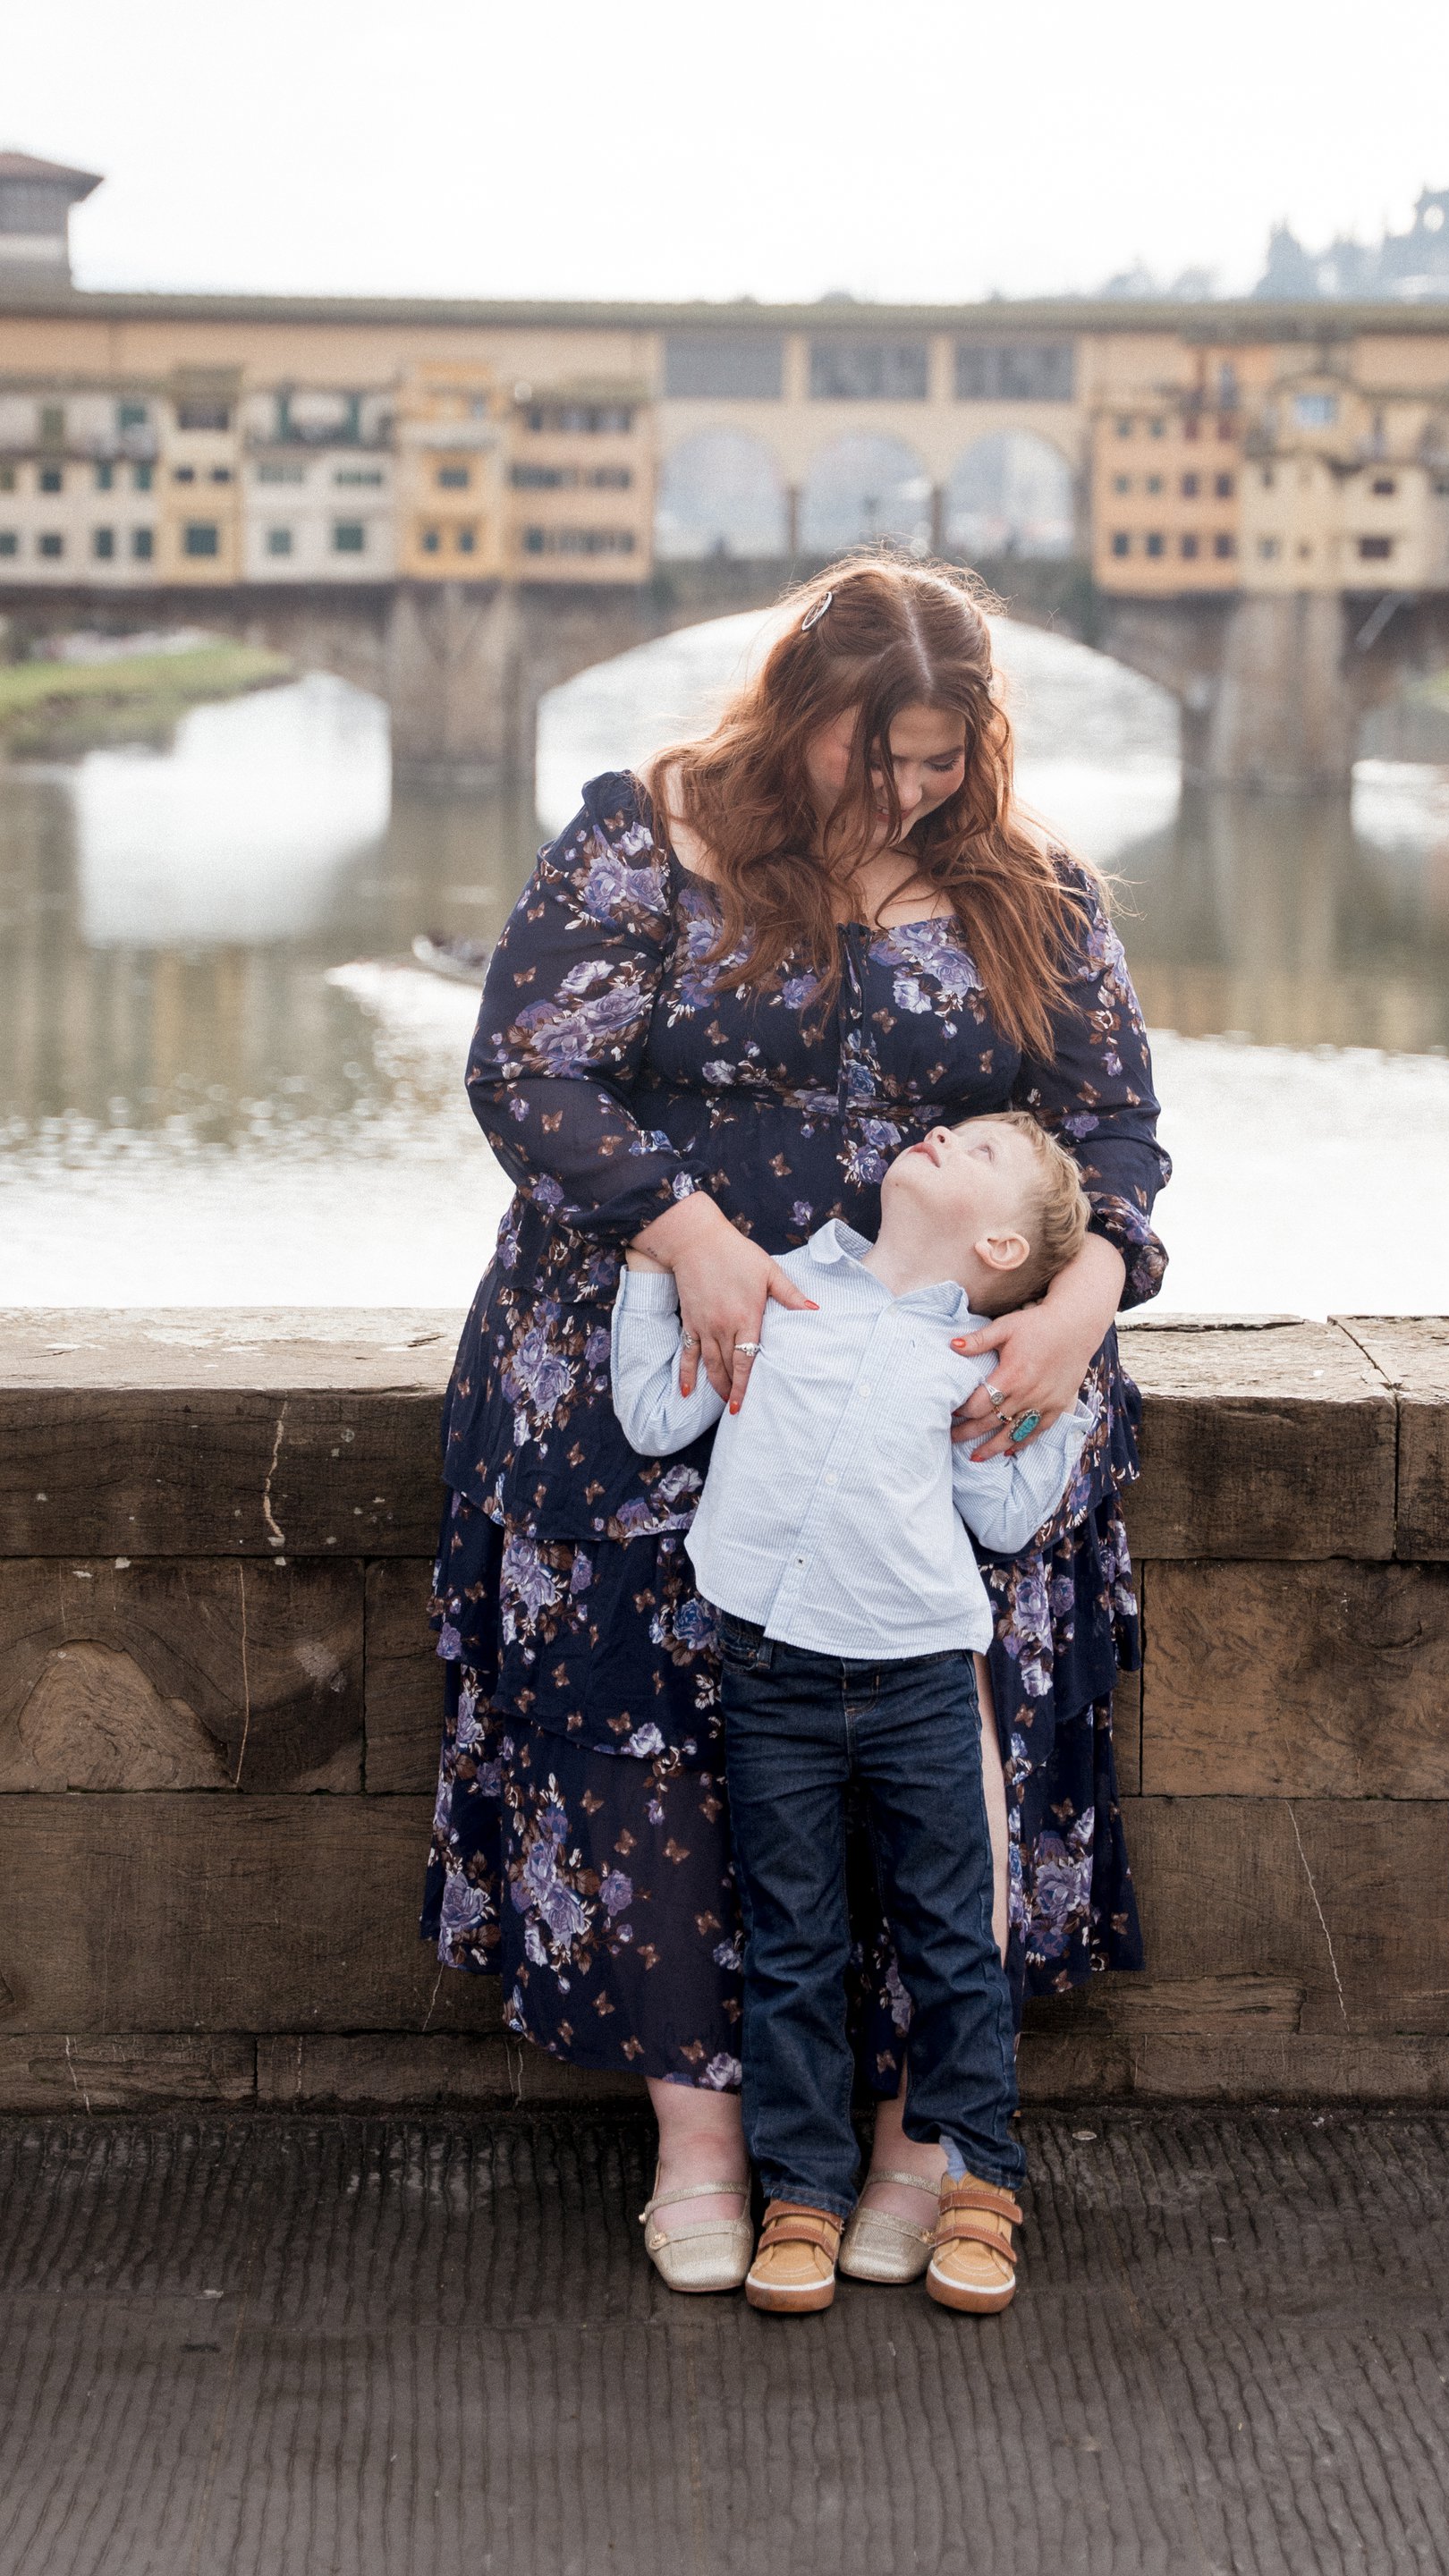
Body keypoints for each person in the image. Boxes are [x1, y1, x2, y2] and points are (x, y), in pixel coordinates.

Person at [420, 555, 1169, 2301]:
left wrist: (1087, 1291)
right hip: (658, 1381)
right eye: (870, 751)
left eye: (938, 757)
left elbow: (1116, 1131)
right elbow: (527, 1069)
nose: (903, 790)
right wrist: (686, 1232)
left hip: (928, 1391)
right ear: (794, 707)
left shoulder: (1032, 888)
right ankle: (701, 2146)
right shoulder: (652, 834)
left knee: (939, 1756)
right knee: (655, 1737)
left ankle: (921, 2142)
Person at [612, 1114, 1094, 2314]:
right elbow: (656, 1418)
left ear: (999, 1245)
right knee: (794, 1945)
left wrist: (1067, 1397)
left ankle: (981, 2184)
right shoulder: (773, 1287)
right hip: (770, 1677)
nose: (942, 1134)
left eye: (980, 1151)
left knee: (951, 1945)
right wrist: (652, 1265)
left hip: (919, 1683)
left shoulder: (978, 1354)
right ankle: (804, 2196)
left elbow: (1004, 1515)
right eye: (955, 1131)